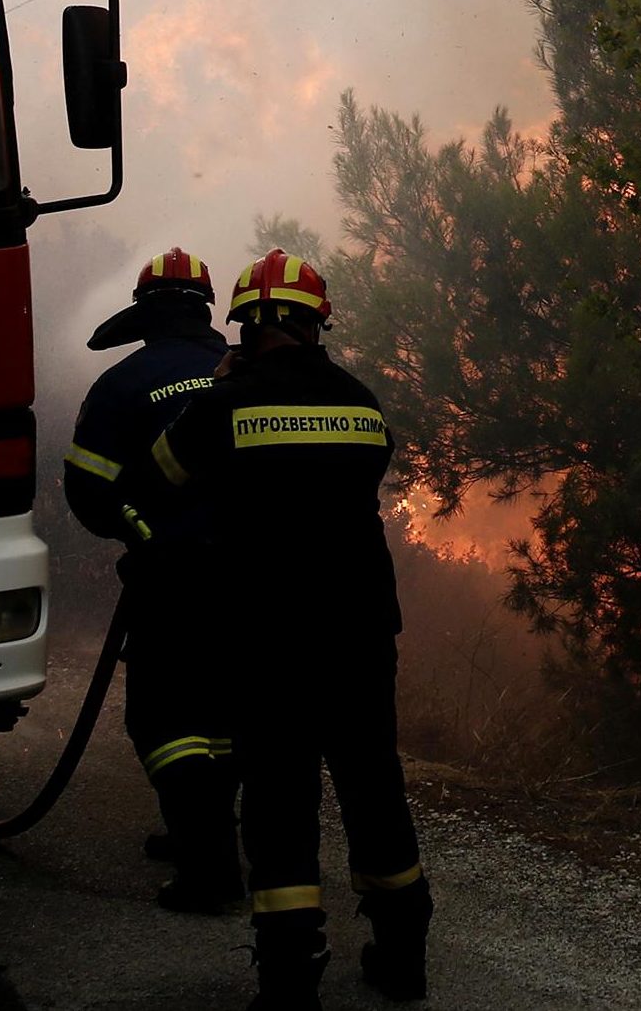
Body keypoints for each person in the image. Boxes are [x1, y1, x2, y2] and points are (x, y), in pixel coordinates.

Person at [153, 249, 428, 1009]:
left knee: (279, 794)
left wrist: (218, 398)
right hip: (361, 630)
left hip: (267, 634)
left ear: (242, 326)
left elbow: (159, 476)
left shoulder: (226, 405)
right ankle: (403, 954)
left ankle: (289, 974)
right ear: (317, 326)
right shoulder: (361, 402)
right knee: (373, 783)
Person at [64, 246, 240, 912]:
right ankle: (204, 829)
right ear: (206, 309)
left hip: (171, 581)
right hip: (252, 578)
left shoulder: (122, 383)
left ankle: (210, 867)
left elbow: (87, 492)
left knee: (163, 721)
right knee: (224, 717)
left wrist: (142, 534)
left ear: (145, 313)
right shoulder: (240, 377)